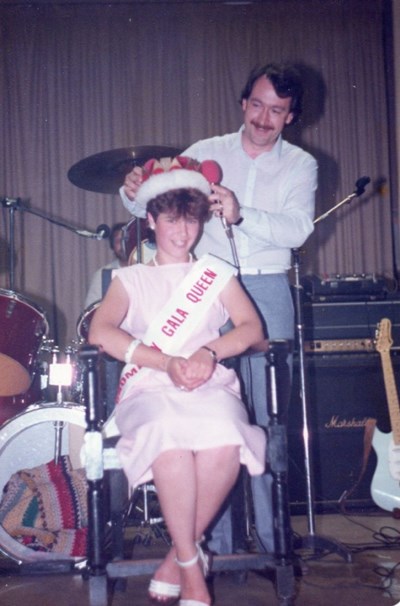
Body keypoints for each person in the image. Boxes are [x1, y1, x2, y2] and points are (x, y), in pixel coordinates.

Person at [120, 62, 318, 555]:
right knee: (210, 410)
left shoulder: (301, 165)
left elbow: (298, 230)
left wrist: (242, 214)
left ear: (291, 116)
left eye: (277, 110)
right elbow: (159, 198)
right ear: (243, 102)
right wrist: (129, 194)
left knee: (268, 415)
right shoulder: (205, 152)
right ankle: (218, 548)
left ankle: (275, 546)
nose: (263, 117)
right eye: (257, 105)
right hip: (204, 290)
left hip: (265, 287)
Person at [89, 157, 267, 606]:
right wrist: (165, 362)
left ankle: (177, 558)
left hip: (209, 383)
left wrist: (209, 353)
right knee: (168, 438)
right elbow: (101, 332)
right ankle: (193, 573)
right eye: (171, 218)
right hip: (150, 385)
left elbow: (250, 328)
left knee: (225, 438)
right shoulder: (128, 278)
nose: (182, 230)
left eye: (190, 218)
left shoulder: (215, 274)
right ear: (150, 219)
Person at [84, 223, 128, 308]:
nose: (123, 245)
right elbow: (91, 311)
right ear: (112, 246)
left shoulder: (147, 270)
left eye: (126, 239)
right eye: (118, 241)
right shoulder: (103, 275)